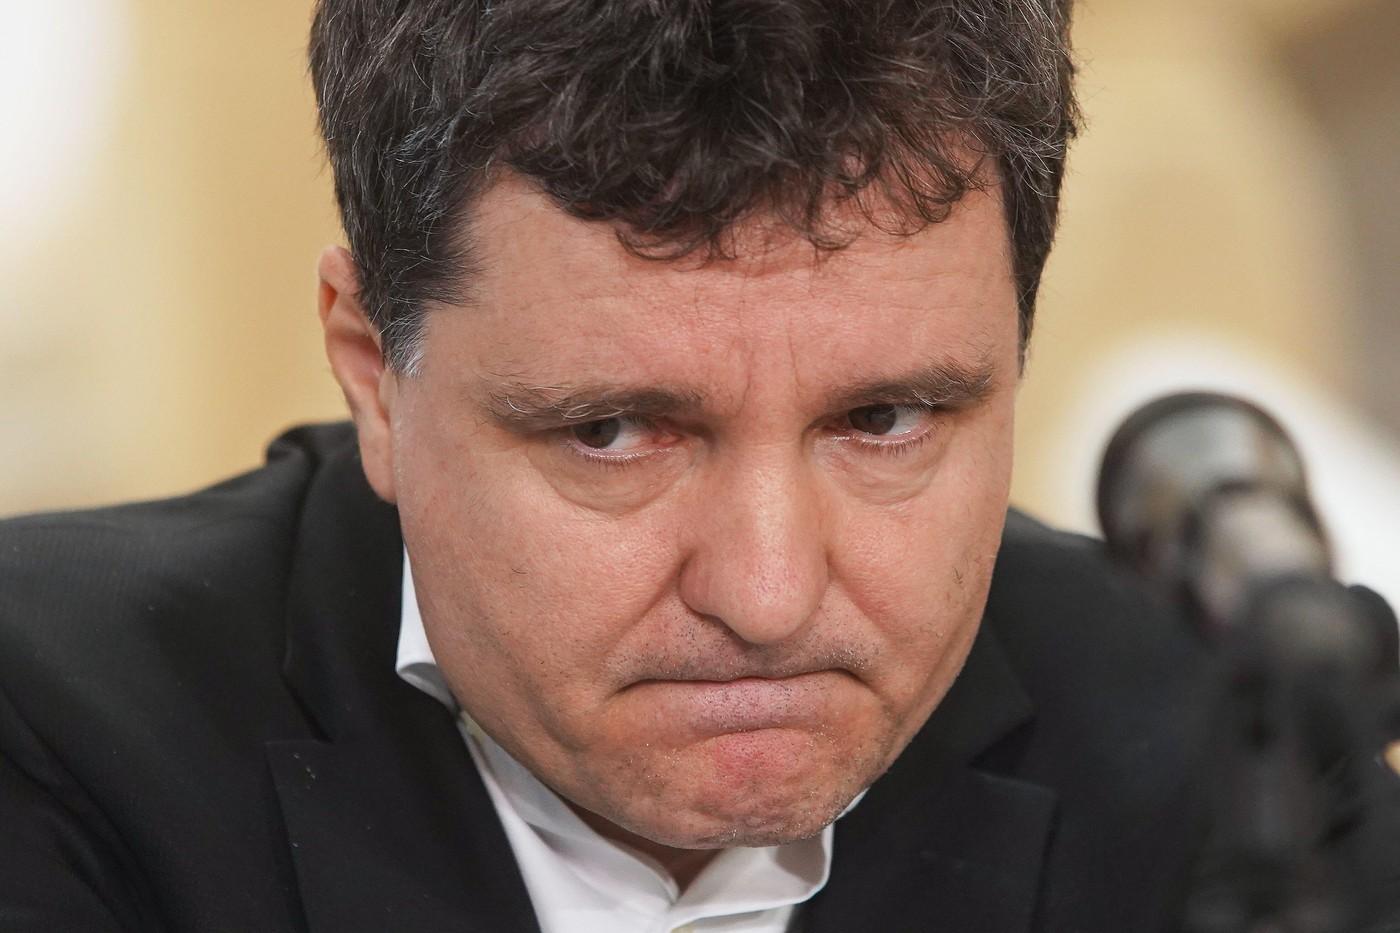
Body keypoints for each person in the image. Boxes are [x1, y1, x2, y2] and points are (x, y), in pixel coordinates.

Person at [1, 1, 1396, 931]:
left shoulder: (1235, 746)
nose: (769, 595)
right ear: (373, 370)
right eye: (613, 432)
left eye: (886, 418)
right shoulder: (49, 726)